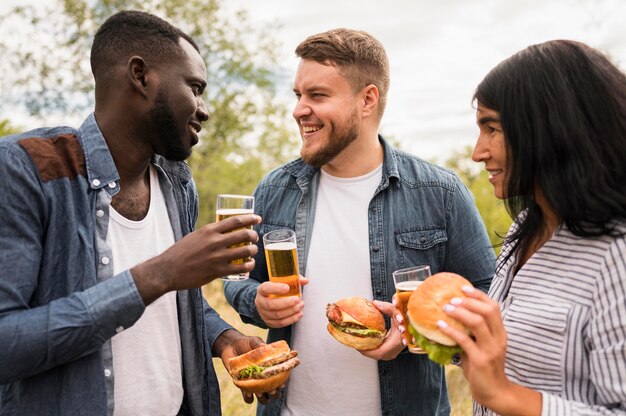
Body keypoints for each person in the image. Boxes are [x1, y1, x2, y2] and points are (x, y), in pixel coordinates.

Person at [0, 10, 267, 416]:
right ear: (141, 76)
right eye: (194, 88)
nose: (204, 108)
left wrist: (223, 339)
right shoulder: (27, 170)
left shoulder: (177, 182)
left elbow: (176, 298)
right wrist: (157, 274)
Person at [224, 28, 496, 416]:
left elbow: (489, 298)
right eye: (298, 95)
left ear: (367, 100)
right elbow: (237, 280)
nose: (299, 109)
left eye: (317, 95)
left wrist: (411, 330)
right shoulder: (275, 187)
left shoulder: (441, 193)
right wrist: (258, 303)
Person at [433, 40, 626, 415]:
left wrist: (506, 397)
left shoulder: (615, 254)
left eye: (491, 128)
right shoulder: (527, 228)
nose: (477, 152)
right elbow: (512, 352)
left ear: (548, 128)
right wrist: (436, 335)